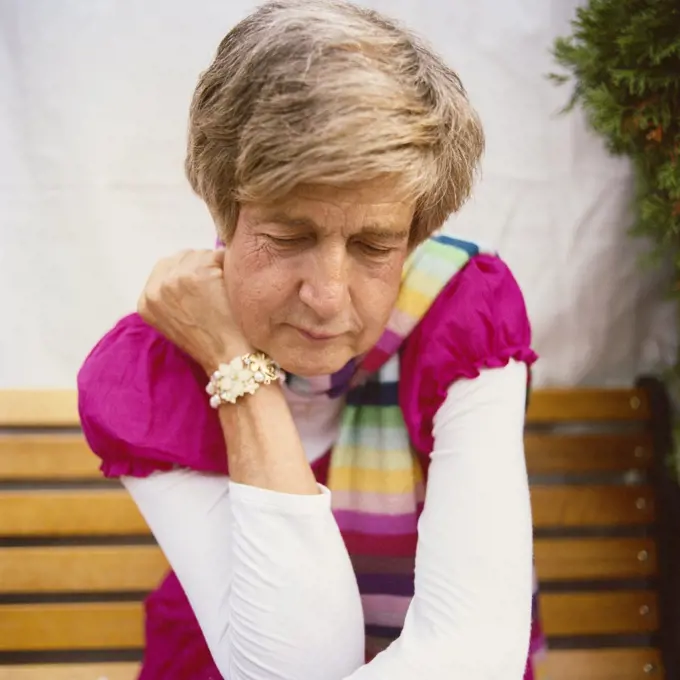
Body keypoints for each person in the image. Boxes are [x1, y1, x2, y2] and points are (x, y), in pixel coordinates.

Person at [78, 1, 546, 678]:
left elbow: (473, 655)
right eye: (290, 237)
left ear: (414, 236)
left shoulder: (466, 317)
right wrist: (238, 371)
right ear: (222, 208)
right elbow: (298, 668)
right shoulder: (147, 374)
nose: (327, 295)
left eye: (373, 245)